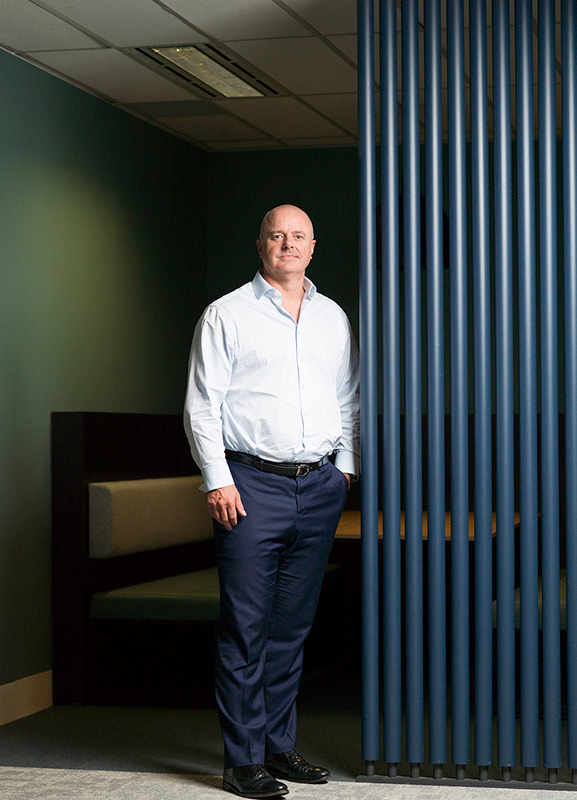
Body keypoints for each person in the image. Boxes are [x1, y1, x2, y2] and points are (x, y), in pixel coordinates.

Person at [183, 204, 360, 799]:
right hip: (249, 486)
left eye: (298, 236)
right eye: (277, 235)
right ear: (260, 245)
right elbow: (202, 404)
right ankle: (242, 760)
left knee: (291, 627)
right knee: (246, 627)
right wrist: (217, 480)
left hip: (319, 485)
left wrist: (344, 468)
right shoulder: (226, 314)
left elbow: (348, 396)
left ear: (313, 247)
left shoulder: (332, 317)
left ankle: (278, 747)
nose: (288, 244)